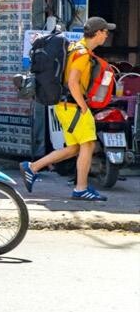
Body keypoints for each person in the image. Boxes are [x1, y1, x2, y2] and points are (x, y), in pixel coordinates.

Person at [19, 16, 115, 202]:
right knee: (87, 145)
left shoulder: (75, 48)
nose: (107, 35)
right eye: (105, 32)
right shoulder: (82, 54)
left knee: (74, 148)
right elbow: (72, 82)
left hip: (65, 106)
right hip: (73, 107)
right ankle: (81, 188)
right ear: (97, 33)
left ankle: (32, 167)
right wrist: (83, 105)